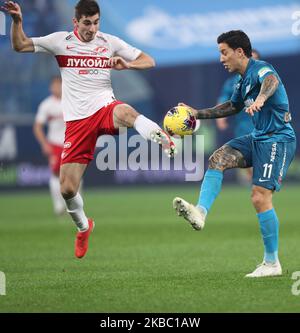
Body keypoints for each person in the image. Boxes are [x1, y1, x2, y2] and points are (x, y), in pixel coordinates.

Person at [4, 0, 176, 259]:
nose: (92, 29)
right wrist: (17, 21)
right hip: (77, 123)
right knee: (67, 189)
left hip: (104, 107)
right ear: (76, 22)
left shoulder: (109, 42)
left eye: (96, 23)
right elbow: (19, 45)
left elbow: (148, 60)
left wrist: (127, 64)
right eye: (87, 23)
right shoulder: (60, 41)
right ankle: (84, 227)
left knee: (126, 111)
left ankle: (163, 139)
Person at [173, 30, 296, 278]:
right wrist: (196, 113)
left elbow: (270, 80)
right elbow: (231, 106)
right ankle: (201, 212)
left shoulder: (261, 68)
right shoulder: (241, 82)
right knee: (217, 158)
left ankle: (272, 264)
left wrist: (261, 98)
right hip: (259, 136)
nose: (221, 58)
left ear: (240, 52)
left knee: (259, 197)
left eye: (224, 52)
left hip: (278, 139)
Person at [216, 49, 260, 183]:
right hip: (242, 127)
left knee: (260, 160)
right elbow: (224, 100)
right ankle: (257, 182)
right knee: (249, 164)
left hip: (264, 126)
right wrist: (221, 118)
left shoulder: (265, 78)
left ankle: (263, 181)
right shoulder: (233, 82)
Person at [33, 76, 66, 216]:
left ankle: (73, 204)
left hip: (71, 143)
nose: (56, 88)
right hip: (55, 143)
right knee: (55, 173)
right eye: (54, 85)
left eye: (59, 85)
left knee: (74, 173)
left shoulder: (72, 102)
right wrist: (44, 143)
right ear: (50, 87)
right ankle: (58, 205)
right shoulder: (46, 105)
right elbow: (37, 126)